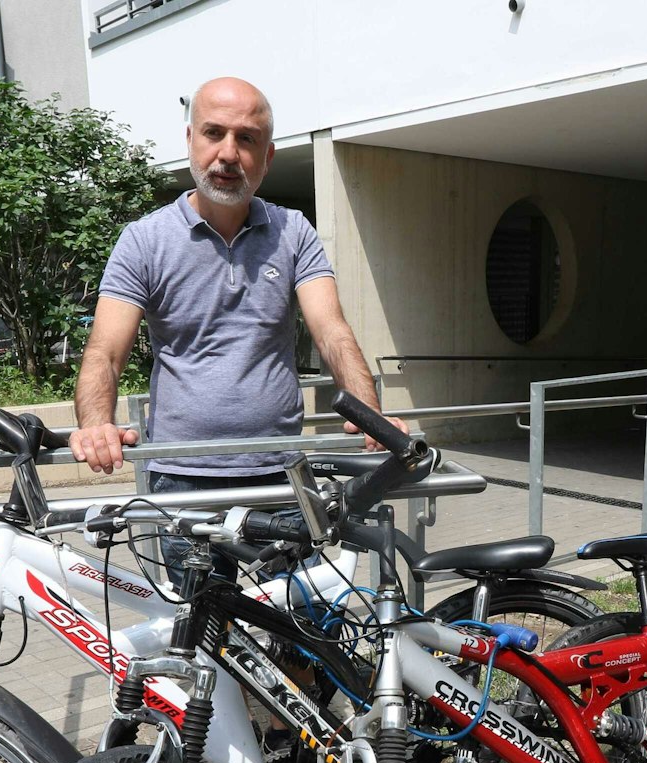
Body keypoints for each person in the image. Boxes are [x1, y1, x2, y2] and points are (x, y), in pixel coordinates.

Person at [67, 76, 404, 583]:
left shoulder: (294, 231)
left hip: (282, 476)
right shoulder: (144, 240)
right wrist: (97, 421)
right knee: (204, 636)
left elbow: (332, 331)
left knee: (299, 629)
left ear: (266, 157)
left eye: (246, 139)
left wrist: (369, 412)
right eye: (214, 133)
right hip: (184, 478)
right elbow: (106, 351)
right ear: (190, 141)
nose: (228, 153)